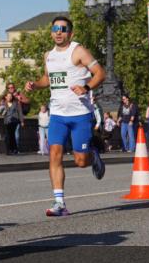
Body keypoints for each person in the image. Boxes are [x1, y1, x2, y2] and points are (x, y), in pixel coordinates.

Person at [24, 15, 106, 217]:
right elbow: (47, 78)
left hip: (80, 115)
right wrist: (35, 85)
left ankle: (93, 154)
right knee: (54, 154)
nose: (58, 32)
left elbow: (100, 73)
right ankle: (59, 202)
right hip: (58, 115)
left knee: (80, 161)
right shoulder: (48, 55)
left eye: (62, 29)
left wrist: (86, 87)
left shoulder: (78, 51)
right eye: (55, 29)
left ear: (70, 33)